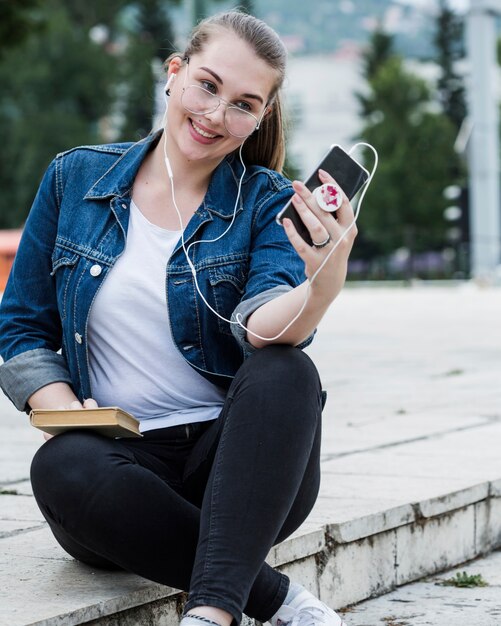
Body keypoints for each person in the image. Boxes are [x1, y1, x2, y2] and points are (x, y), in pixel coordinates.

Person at [0, 10, 356, 626]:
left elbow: (259, 326)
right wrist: (64, 406)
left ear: (262, 117)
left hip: (242, 470)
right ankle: (276, 599)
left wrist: (324, 281)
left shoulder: (267, 201)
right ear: (175, 73)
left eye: (244, 104)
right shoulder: (74, 178)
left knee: (287, 372)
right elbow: (21, 327)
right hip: (120, 471)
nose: (217, 115)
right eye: (208, 86)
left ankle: (211, 613)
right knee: (60, 463)